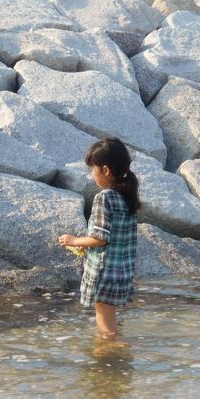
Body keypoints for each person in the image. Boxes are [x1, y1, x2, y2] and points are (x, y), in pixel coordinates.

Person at [58, 138, 139, 340]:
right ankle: (114, 353)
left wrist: (74, 241)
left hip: (104, 271)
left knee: (106, 329)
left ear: (105, 170)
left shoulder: (104, 197)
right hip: (122, 270)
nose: (92, 175)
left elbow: (100, 238)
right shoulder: (127, 197)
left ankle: (110, 355)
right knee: (109, 316)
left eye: (92, 169)